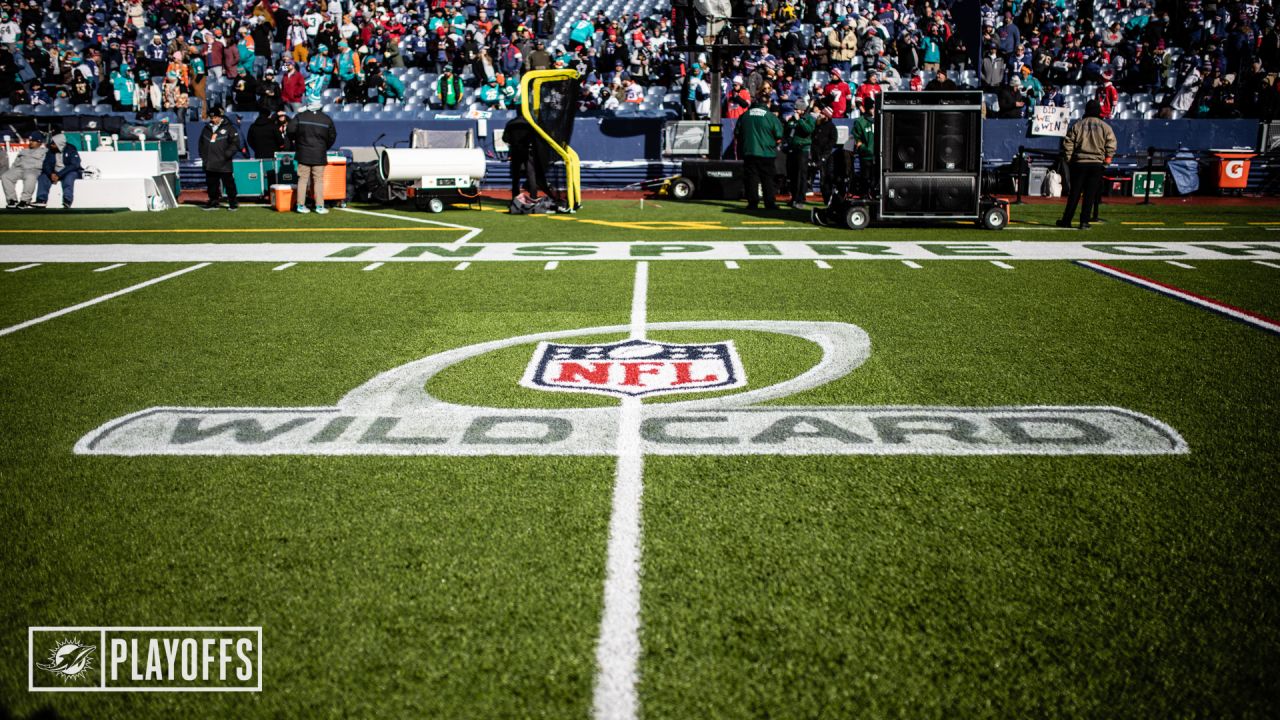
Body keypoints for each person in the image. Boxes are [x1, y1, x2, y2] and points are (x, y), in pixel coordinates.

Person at [1057, 100, 1116, 230]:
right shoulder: (1105, 127)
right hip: (1096, 164)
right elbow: (1111, 145)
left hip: (1079, 163)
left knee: (1074, 194)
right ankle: (1084, 222)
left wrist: (1069, 159)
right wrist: (1106, 162)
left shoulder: (1078, 125)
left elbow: (1068, 143)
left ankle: (1066, 220)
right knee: (1090, 195)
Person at [735, 93, 784, 211]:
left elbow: (737, 133)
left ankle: (752, 203)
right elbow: (779, 134)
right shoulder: (771, 117)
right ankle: (769, 203)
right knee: (767, 179)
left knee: (751, 179)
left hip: (749, 152)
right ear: (767, 103)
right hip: (767, 153)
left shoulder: (745, 115)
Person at [287, 100, 337, 214]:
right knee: (318, 180)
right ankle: (319, 206)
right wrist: (323, 147)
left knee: (302, 179)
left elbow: (290, 130)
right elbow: (332, 136)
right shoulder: (326, 119)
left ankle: (300, 205)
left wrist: (297, 141)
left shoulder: (300, 116)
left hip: (303, 152)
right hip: (319, 154)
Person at [198, 106, 241, 211]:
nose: (213, 120)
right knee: (211, 184)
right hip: (210, 162)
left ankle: (233, 203)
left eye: (215, 117)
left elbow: (235, 143)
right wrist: (204, 157)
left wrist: (226, 155)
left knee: (229, 184)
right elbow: (201, 144)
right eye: (211, 118)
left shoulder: (229, 128)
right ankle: (213, 202)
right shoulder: (206, 128)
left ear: (220, 116)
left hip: (224, 163)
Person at [34, 133, 82, 209]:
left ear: (59, 144)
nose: (51, 145)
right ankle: (41, 200)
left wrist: (59, 175)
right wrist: (51, 174)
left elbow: (75, 165)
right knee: (43, 177)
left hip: (68, 171)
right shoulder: (51, 150)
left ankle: (67, 200)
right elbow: (46, 164)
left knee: (69, 177)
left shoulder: (71, 149)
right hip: (54, 172)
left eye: (53, 143)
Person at [2, 131, 47, 209]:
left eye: (33, 141)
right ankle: (12, 200)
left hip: (33, 170)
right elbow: (16, 162)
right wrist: (12, 170)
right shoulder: (24, 151)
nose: (31, 142)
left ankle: (25, 200)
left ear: (39, 142)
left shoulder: (44, 151)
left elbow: (44, 164)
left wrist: (32, 167)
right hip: (19, 169)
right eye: (30, 140)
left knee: (30, 177)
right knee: (6, 176)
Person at [785, 102, 815, 209]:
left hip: (803, 149)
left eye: (797, 109)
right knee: (792, 175)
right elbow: (789, 129)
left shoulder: (809, 119)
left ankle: (800, 199)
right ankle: (793, 197)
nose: (795, 111)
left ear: (802, 110)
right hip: (793, 149)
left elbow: (808, 130)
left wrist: (799, 121)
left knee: (800, 175)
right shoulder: (793, 119)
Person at [849, 99, 877, 195]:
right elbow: (856, 138)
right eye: (871, 108)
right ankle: (864, 196)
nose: (873, 110)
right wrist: (864, 148)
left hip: (879, 156)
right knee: (865, 178)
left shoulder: (881, 119)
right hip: (866, 156)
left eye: (874, 108)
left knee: (876, 179)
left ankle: (875, 196)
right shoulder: (860, 122)